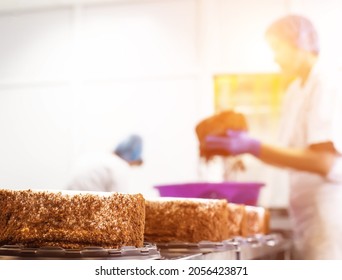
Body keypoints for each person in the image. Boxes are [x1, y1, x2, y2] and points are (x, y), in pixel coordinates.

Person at [205, 14, 342, 260]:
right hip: (304, 213)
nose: (275, 58)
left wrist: (253, 146)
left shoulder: (327, 81)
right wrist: (245, 146)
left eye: (277, 48)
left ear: (299, 42)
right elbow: (289, 155)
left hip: (328, 211)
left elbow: (323, 161)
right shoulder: (294, 90)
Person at [67, 134, 143, 193]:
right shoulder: (120, 166)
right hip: (86, 208)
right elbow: (120, 202)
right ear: (133, 159)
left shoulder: (95, 156)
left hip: (64, 204)